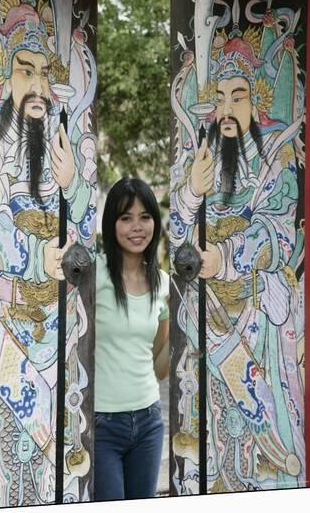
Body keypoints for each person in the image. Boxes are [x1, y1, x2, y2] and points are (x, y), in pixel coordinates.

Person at [0, 0, 95, 507]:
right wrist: (31, 258)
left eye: (46, 72)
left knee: (52, 471)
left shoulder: (63, 138)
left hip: (56, 335)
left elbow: (85, 238)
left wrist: (76, 187)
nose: (39, 85)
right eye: (27, 70)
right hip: (3, 328)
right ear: (3, 73)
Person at [170, 37, 305, 492]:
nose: (227, 109)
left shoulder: (275, 162)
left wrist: (225, 259)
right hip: (207, 317)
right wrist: (190, 192)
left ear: (255, 102)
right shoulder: (199, 160)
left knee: (260, 425)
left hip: (254, 318)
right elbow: (173, 237)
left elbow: (279, 236)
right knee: (209, 432)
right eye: (220, 98)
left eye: (238, 96)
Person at [94, 178, 169, 501]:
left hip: (149, 422)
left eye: (144, 217)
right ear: (112, 224)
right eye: (126, 218)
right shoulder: (93, 275)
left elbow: (160, 367)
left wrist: (184, 336)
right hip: (101, 426)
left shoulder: (164, 284)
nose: (136, 227)